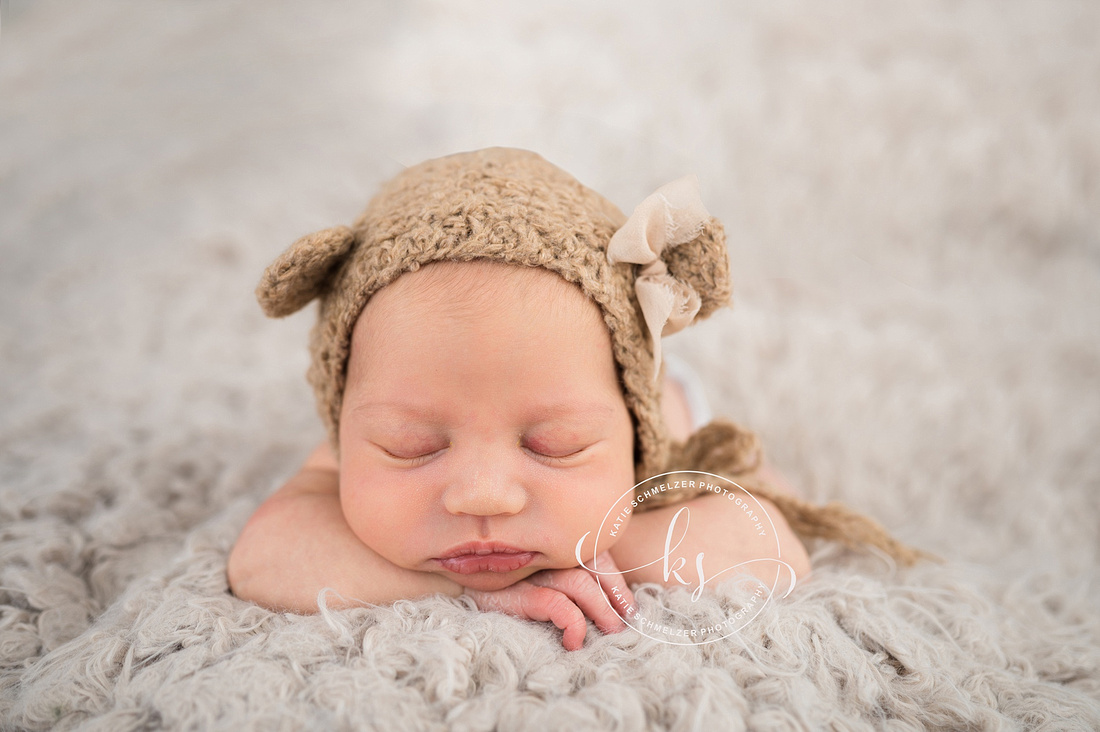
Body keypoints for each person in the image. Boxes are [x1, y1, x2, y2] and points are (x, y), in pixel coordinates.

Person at [227, 148, 919, 651]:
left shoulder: (663, 439)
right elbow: (262, 558)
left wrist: (605, 543)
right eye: (413, 448)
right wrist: (480, 589)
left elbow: (771, 551)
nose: (484, 496)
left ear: (629, 427)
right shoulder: (363, 426)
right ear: (345, 421)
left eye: (553, 445)